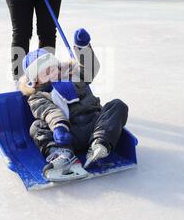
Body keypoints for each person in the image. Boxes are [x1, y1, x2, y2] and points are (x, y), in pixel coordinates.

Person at [19, 28, 129, 182]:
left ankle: (100, 144)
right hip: (67, 134)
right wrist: (59, 127)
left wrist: (83, 48)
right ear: (35, 80)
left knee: (117, 105)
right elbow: (49, 111)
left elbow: (90, 70)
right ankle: (63, 156)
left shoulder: (73, 76)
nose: (52, 73)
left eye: (53, 68)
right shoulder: (37, 96)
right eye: (45, 72)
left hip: (94, 125)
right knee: (37, 127)